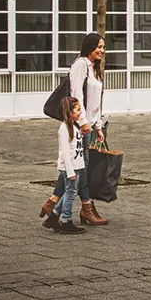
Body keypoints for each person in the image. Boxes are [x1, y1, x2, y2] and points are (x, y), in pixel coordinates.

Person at [68, 32, 111, 226]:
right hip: (80, 126)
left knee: (83, 167)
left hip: (90, 126)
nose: (102, 50)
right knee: (80, 168)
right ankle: (86, 207)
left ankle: (55, 203)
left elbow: (96, 102)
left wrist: (98, 126)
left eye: (103, 47)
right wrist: (83, 122)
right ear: (89, 47)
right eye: (99, 47)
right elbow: (76, 95)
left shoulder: (94, 68)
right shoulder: (81, 65)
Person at [46, 96, 87, 233]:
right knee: (71, 193)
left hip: (77, 165)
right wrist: (70, 171)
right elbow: (64, 151)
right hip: (70, 168)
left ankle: (54, 216)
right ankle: (66, 220)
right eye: (78, 110)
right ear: (69, 112)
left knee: (70, 192)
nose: (80, 113)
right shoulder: (64, 128)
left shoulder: (75, 126)